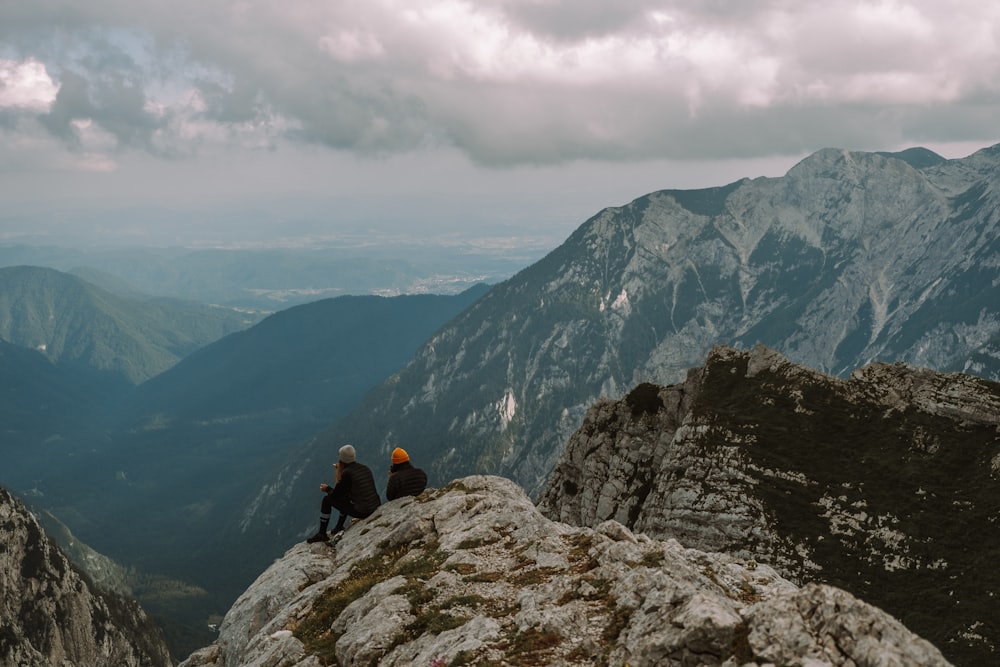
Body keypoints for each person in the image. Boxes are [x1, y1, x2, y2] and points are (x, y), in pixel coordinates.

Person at [306, 444, 381, 543]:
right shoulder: (365, 468)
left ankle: (322, 533)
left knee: (327, 500)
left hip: (363, 511)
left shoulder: (347, 473)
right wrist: (342, 470)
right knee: (345, 497)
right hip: (375, 506)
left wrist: (327, 488)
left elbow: (336, 495)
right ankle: (339, 526)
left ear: (341, 459)